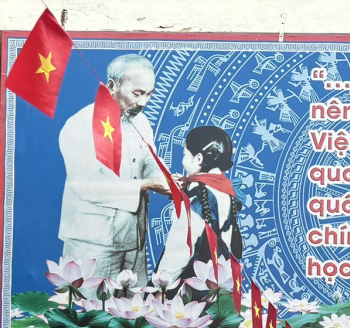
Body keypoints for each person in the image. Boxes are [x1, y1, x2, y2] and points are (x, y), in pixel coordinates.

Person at [57, 53, 167, 278]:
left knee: (136, 300)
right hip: (92, 242)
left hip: (134, 237)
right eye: (137, 93)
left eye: (149, 94)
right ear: (111, 86)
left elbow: (150, 159)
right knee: (92, 300)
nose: (143, 103)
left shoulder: (141, 121)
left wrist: (165, 180)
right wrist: (147, 184)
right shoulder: (80, 124)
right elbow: (85, 186)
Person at [153, 125, 243, 296]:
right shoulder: (228, 190)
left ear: (199, 158)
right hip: (219, 283)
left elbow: (179, 251)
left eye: (185, 154)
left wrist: (161, 288)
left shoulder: (196, 197)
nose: (183, 160)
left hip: (190, 289)